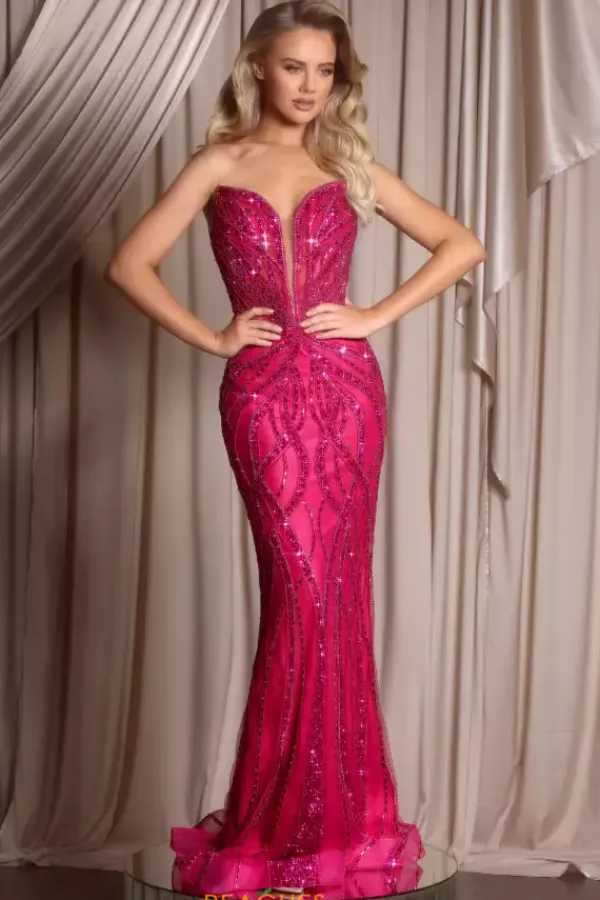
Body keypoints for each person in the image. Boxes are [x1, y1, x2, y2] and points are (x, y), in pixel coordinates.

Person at [105, 1, 486, 897]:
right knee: (297, 594)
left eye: (325, 70)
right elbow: (127, 265)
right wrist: (212, 336)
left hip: (347, 400)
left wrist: (374, 315)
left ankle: (334, 824)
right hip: (263, 400)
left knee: (336, 597)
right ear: (257, 69)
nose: (311, 86)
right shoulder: (219, 162)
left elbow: (460, 243)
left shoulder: (346, 163)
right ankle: (277, 821)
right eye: (294, 67)